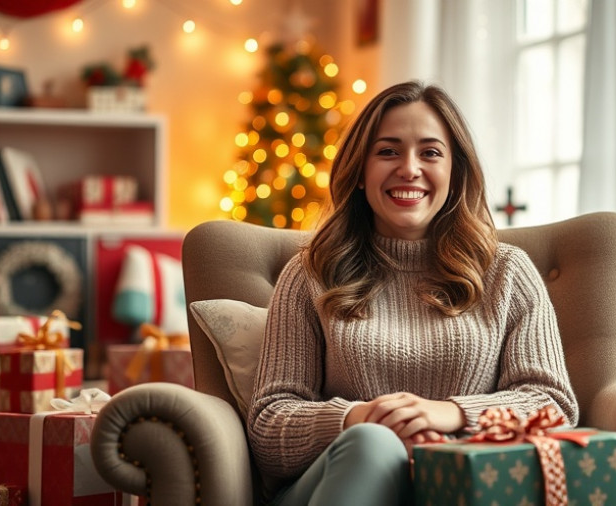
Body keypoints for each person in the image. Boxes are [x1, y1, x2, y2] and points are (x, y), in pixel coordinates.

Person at [247, 80, 578, 506]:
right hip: (332, 486)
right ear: (361, 173)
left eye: (430, 152)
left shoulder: (507, 272)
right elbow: (268, 426)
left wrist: (450, 413)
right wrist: (359, 419)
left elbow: (552, 405)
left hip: (462, 490)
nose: (408, 168)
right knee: (372, 444)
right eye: (387, 151)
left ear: (455, 171)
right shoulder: (311, 272)